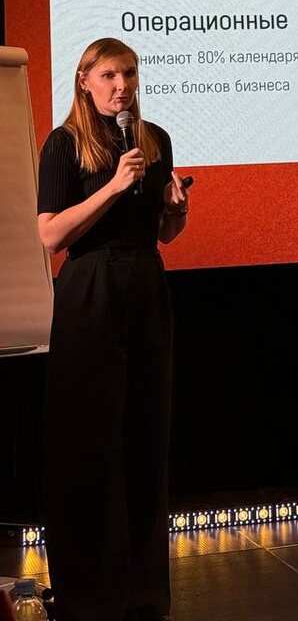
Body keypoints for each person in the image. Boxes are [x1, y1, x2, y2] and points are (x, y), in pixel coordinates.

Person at [37, 37, 190, 621]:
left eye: (128, 73)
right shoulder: (64, 144)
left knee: (146, 436)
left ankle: (143, 594)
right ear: (84, 81)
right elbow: (52, 236)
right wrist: (113, 186)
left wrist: (174, 209)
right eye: (108, 75)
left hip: (145, 284)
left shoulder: (154, 140)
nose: (121, 86)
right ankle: (89, 598)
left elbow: (164, 233)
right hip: (91, 287)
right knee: (90, 440)